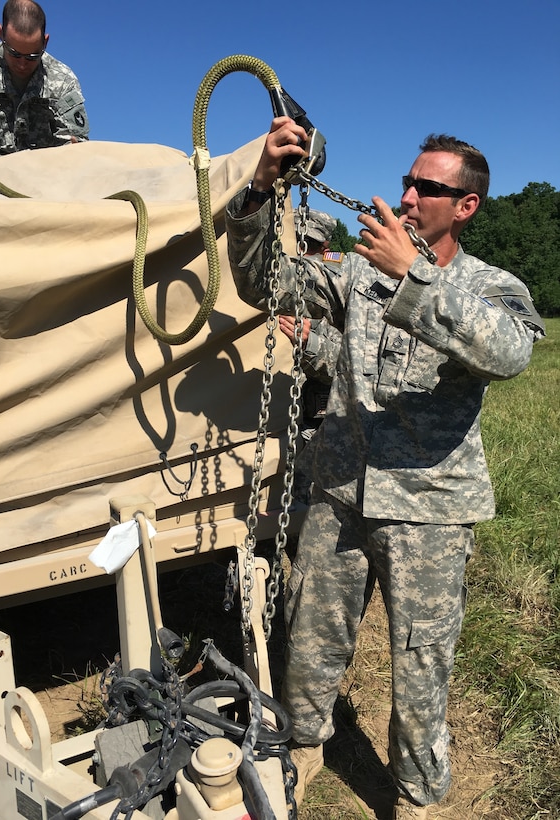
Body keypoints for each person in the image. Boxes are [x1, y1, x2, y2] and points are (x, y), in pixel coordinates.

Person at [225, 120, 545, 819]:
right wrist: (258, 189)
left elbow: (509, 354)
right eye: (406, 180)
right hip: (338, 489)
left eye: (426, 187)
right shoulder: (358, 273)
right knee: (311, 632)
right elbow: (264, 282)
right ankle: (304, 747)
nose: (405, 196)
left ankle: (414, 790)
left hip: (428, 509)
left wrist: (415, 278)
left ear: (464, 206)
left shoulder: (493, 286)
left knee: (420, 663)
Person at [0, 0, 89, 162]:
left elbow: (74, 141)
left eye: (32, 57)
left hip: (48, 174)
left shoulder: (63, 80)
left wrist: (72, 150)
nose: (22, 64)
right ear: (0, 33)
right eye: (14, 53)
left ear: (45, 42)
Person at [278, 209, 341, 502]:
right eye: (294, 241)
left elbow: (347, 366)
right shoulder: (280, 280)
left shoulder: (336, 292)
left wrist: (310, 343)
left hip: (316, 424)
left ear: (324, 249)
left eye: (308, 244)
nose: (299, 250)